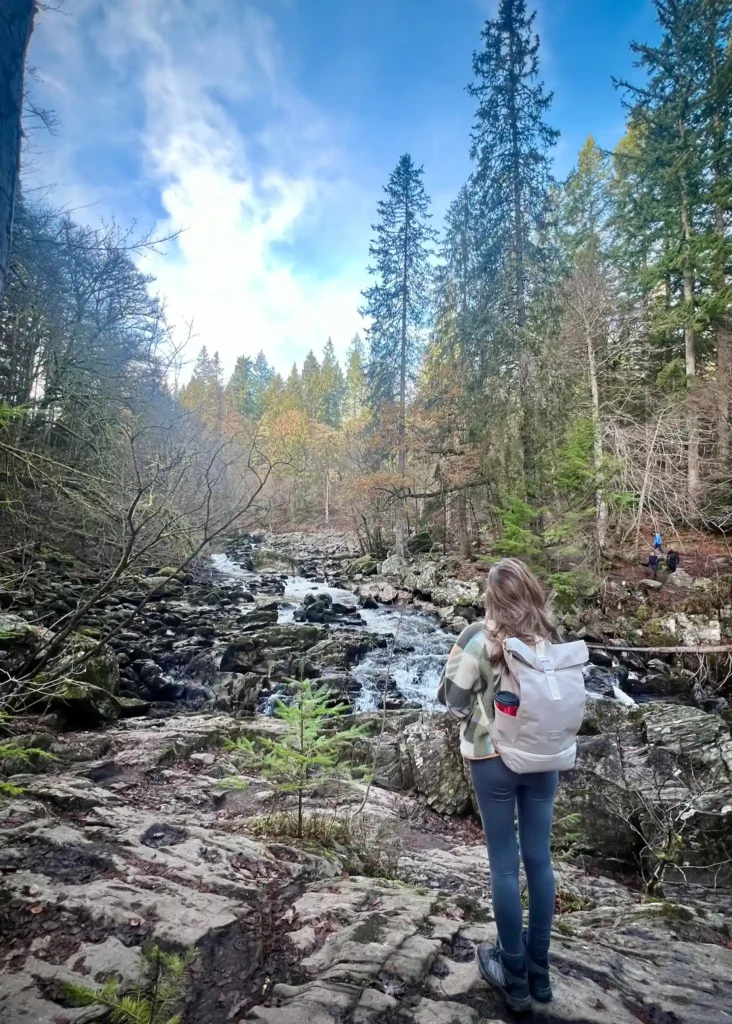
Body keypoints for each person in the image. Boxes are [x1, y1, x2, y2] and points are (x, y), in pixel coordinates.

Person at [437, 558, 559, 1013]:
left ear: (492, 598)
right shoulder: (551, 639)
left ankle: (514, 974)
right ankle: (540, 972)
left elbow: (452, 700)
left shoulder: (477, 637)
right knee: (540, 861)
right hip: (545, 760)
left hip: (493, 760)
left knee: (505, 866)